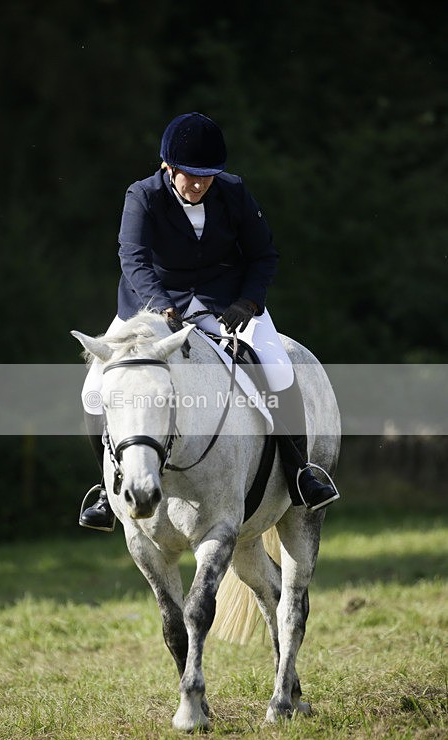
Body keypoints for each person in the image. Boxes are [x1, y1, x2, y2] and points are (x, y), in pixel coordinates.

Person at [79, 112, 338, 531]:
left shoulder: (233, 191)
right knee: (94, 388)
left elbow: (263, 255)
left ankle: (299, 473)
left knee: (277, 368)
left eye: (207, 176)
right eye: (191, 175)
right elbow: (133, 259)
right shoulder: (142, 195)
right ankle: (107, 490)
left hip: (225, 303)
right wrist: (161, 305)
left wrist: (248, 302)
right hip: (153, 307)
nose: (200, 184)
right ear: (168, 166)